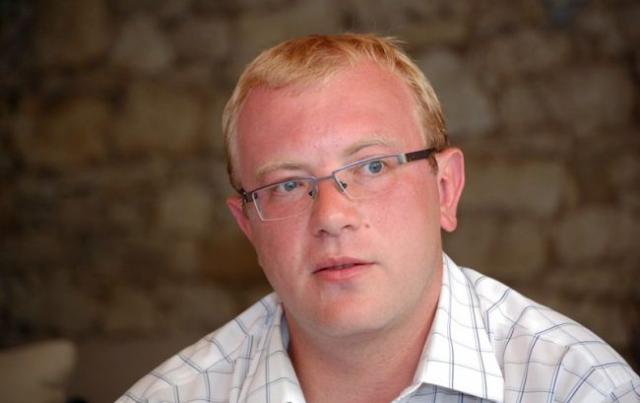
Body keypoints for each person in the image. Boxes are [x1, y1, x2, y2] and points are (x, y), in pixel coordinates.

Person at [117, 33, 639, 403]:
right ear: (248, 226)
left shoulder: (582, 388)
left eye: (371, 166)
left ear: (445, 190)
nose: (331, 216)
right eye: (288, 185)